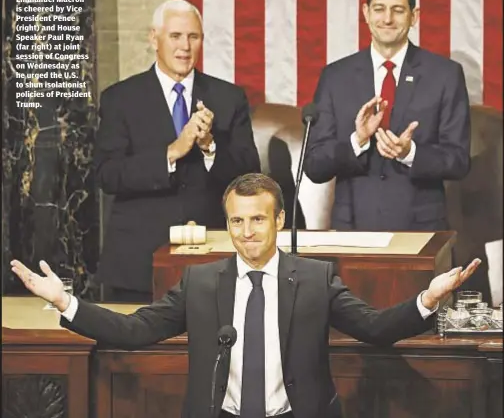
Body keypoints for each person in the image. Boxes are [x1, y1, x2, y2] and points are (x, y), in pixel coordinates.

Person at [11, 173, 480, 418]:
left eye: (258, 219)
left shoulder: (315, 280)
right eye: (237, 220)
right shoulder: (201, 282)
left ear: (279, 222)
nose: (247, 231)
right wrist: (64, 302)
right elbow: (135, 330)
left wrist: (429, 298)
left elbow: (375, 329)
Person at [94, 0, 260, 302]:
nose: (185, 46)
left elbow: (249, 174)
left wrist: (210, 146)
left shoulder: (228, 97)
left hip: (212, 261)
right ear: (153, 38)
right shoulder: (120, 98)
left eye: (193, 37)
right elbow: (108, 175)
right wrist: (171, 152)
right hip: (138, 265)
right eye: (175, 36)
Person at [304, 0, 471, 232]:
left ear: (414, 16)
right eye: (379, 9)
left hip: (421, 232)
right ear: (366, 12)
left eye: (398, 10)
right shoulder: (335, 76)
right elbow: (314, 165)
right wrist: (356, 141)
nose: (387, 19)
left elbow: (458, 160)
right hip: (353, 230)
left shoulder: (445, 75)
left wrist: (410, 153)